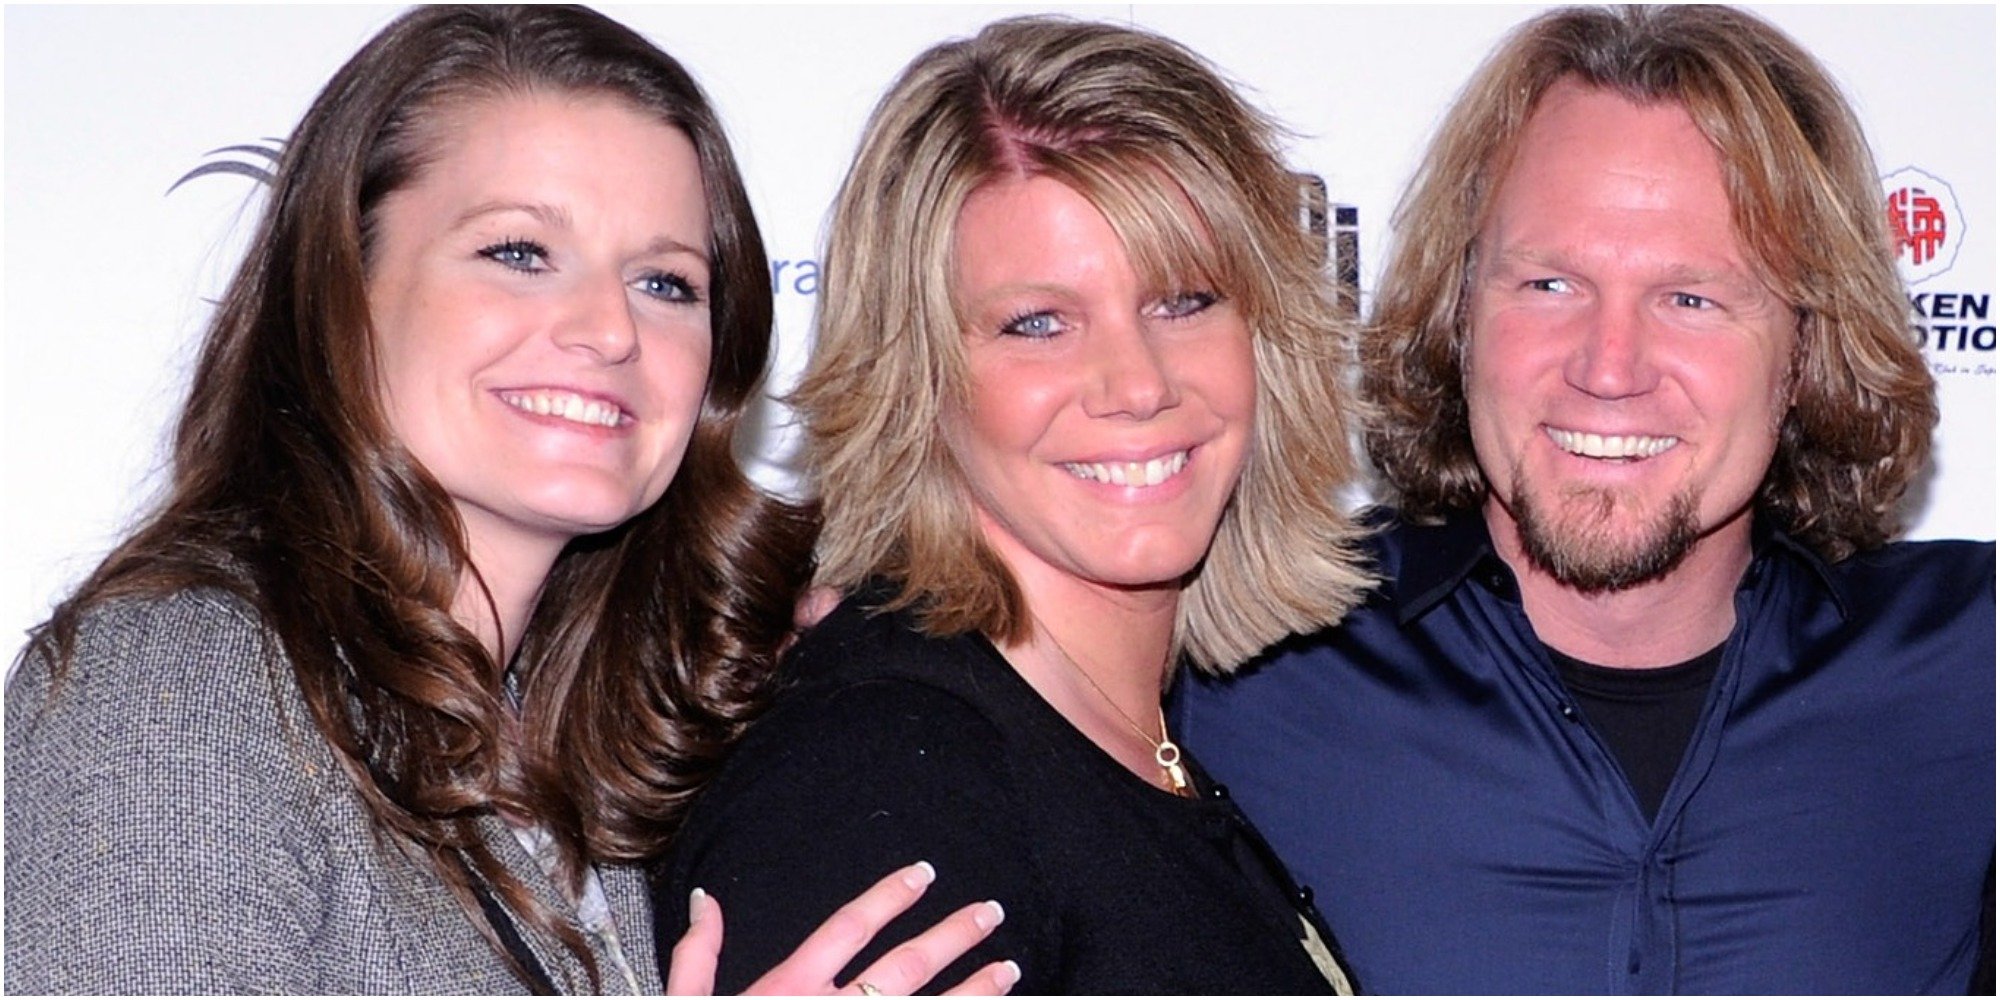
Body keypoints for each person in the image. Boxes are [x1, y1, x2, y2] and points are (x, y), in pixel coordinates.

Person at [5, 6, 1015, 994]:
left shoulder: (584, 730)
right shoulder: (182, 677)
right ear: (341, 287)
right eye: (519, 253)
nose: (608, 330)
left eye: (665, 282)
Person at [1177, 4, 1996, 994]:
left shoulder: (1967, 667)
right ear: (1459, 310)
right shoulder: (1231, 668)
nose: (1609, 369)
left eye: (1690, 298)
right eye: (1549, 284)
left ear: (1805, 351)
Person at [652, 15, 1375, 995]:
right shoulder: (885, 781)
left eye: (1183, 300)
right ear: (918, 376)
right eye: (1037, 323)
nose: (1135, 382)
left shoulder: (1124, 743)